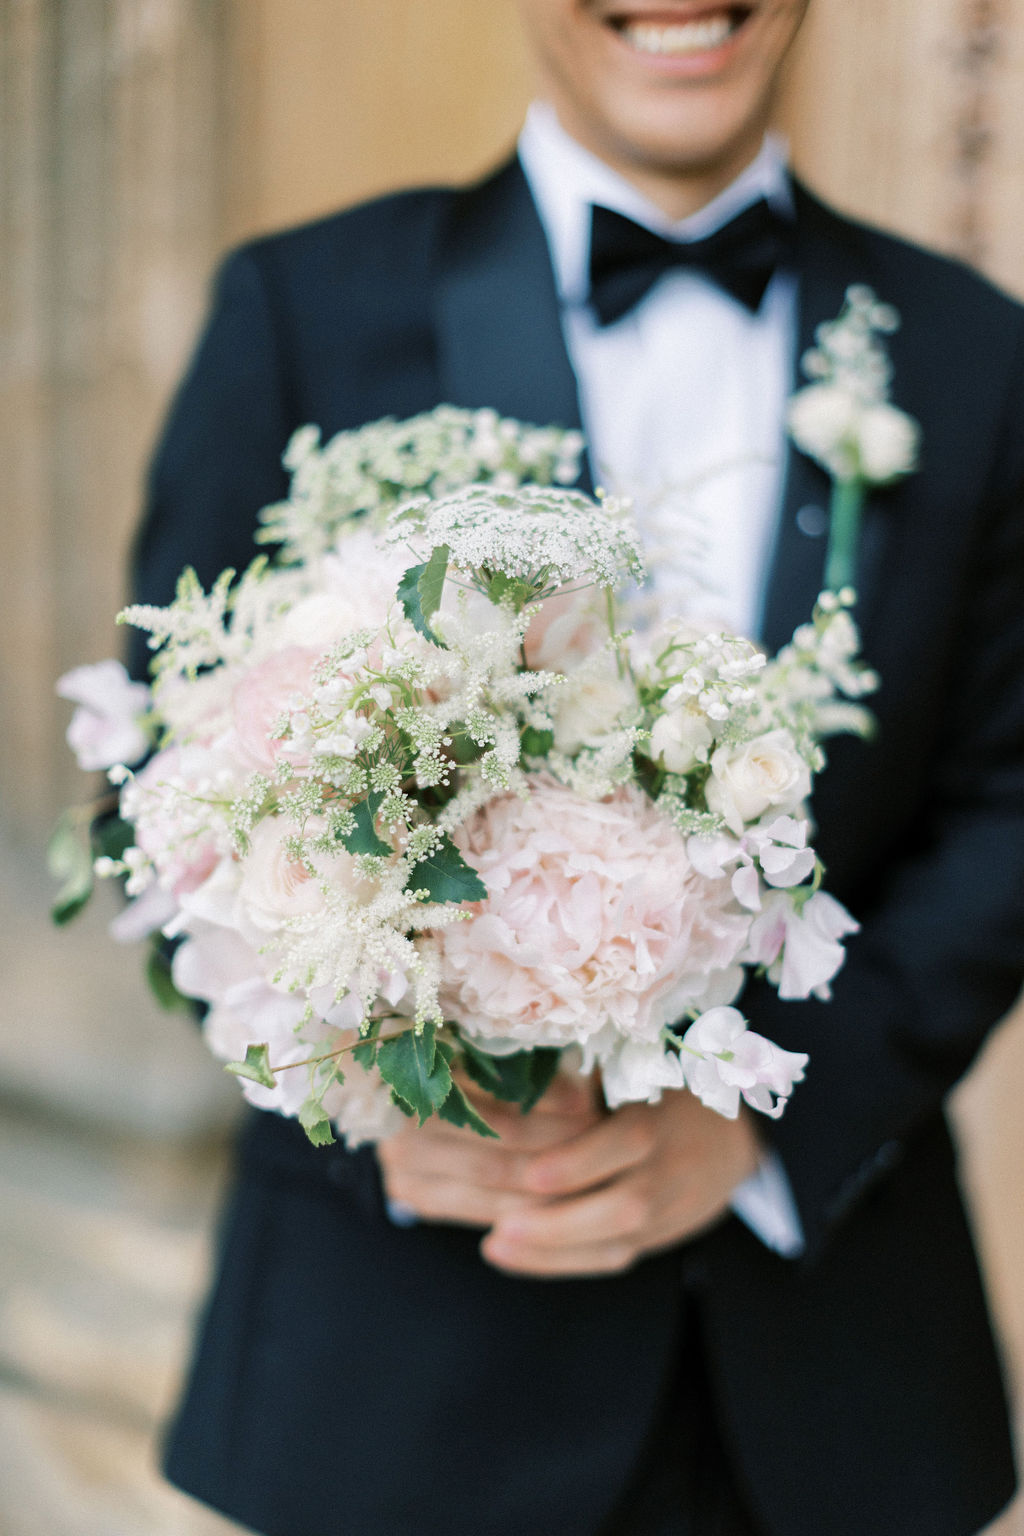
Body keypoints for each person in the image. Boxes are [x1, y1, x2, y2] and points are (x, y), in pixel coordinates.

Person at [131, 3, 1024, 1533]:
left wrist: (766, 1127)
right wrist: (378, 1109)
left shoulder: (974, 351)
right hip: (395, 1385)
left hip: (826, 1400)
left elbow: (1010, 799)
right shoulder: (302, 306)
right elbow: (157, 795)